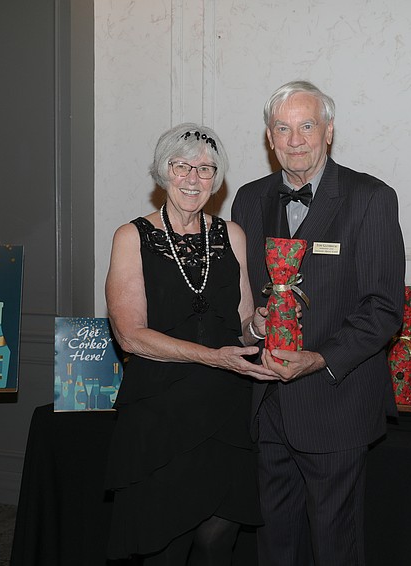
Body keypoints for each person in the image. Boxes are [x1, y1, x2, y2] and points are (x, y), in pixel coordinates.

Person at [231, 80, 406, 565]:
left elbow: (384, 307)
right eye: (282, 128)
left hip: (336, 402)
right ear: (269, 137)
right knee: (275, 544)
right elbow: (242, 301)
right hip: (268, 406)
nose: (295, 139)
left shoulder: (370, 198)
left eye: (307, 125)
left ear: (328, 131)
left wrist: (320, 359)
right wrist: (255, 326)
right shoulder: (247, 200)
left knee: (335, 545)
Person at [104, 123, 279, 565]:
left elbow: (241, 325)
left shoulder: (231, 235)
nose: (193, 178)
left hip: (224, 410)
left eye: (206, 169)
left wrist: (259, 324)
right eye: (182, 166)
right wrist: (213, 357)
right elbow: (130, 335)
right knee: (165, 544)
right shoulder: (132, 238)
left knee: (217, 541)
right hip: (160, 411)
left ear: (216, 180)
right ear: (163, 173)